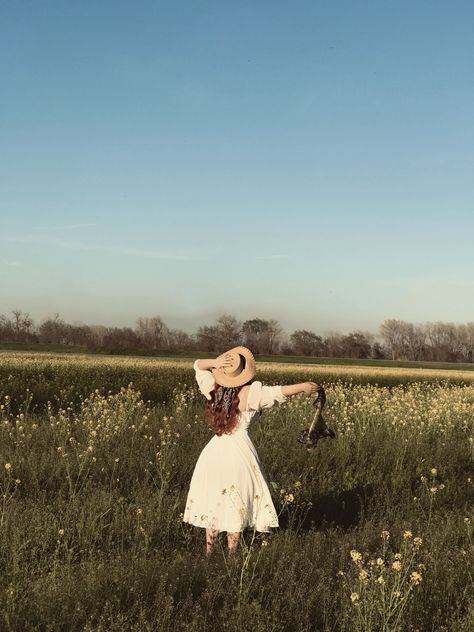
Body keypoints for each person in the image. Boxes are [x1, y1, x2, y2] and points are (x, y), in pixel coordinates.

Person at [182, 346, 318, 557]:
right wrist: (302, 386)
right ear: (245, 372)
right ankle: (232, 556)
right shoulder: (250, 393)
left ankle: (209, 554)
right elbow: (278, 392)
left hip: (214, 452)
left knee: (214, 501)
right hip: (240, 454)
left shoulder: (213, 388)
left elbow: (197, 365)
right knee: (237, 502)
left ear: (223, 371)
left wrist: (215, 363)